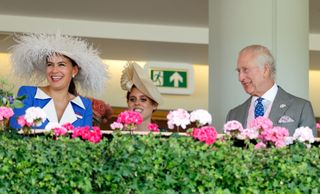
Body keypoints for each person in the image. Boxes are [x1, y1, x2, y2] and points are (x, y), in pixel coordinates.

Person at [9, 32, 108, 129]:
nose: (54, 70)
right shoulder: (28, 93)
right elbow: (15, 130)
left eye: (61, 64)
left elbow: (86, 141)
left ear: (74, 70)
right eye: (50, 64)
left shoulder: (84, 105)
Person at [226, 44, 316, 136]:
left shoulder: (301, 108)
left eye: (245, 70)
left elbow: (308, 149)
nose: (240, 78)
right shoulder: (233, 115)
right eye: (238, 71)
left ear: (265, 70)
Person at [120, 62, 163, 131]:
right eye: (132, 99)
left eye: (143, 99)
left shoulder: (164, 139)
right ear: (127, 102)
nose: (137, 103)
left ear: (154, 105)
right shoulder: (117, 138)